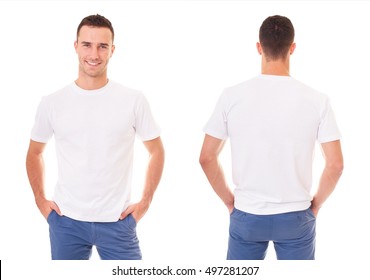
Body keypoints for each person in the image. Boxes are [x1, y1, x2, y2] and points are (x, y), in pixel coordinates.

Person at [199, 15, 343, 260]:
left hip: (247, 214)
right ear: (292, 48)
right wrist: (315, 205)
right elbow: (336, 164)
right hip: (296, 217)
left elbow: (206, 157)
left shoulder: (232, 96)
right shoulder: (317, 100)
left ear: (258, 47)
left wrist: (229, 202)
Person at [26, 14, 165, 260]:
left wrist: (145, 201)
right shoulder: (52, 103)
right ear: (75, 46)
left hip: (118, 221)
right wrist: (40, 200)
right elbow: (35, 152)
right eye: (87, 45)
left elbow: (156, 151)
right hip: (66, 222)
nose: (94, 54)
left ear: (112, 50)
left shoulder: (133, 100)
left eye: (102, 46)